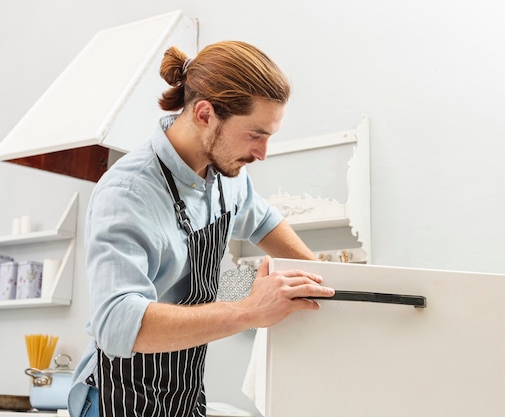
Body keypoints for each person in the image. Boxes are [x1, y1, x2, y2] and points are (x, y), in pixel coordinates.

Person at [68, 40, 335, 417]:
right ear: (205, 114)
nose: (262, 153)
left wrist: (334, 283)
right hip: (118, 398)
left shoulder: (227, 176)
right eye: (255, 135)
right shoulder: (127, 193)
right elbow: (116, 323)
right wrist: (248, 310)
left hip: (183, 394)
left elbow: (262, 220)